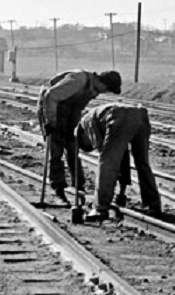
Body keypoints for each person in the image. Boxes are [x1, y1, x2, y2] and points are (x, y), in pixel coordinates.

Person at [36, 70, 122, 204]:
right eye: (106, 89)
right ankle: (58, 188)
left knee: (72, 146)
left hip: (68, 112)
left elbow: (77, 109)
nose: (103, 93)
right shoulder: (78, 81)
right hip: (51, 107)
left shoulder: (92, 89)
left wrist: (76, 128)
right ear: (101, 82)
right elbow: (51, 96)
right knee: (56, 148)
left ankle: (79, 186)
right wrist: (50, 121)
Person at [75, 102, 161, 222]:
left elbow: (108, 161)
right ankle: (153, 204)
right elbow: (122, 158)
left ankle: (100, 208)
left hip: (118, 115)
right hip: (140, 114)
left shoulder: (86, 123)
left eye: (87, 143)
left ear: (82, 136)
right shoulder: (98, 119)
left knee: (106, 162)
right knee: (142, 163)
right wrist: (121, 192)